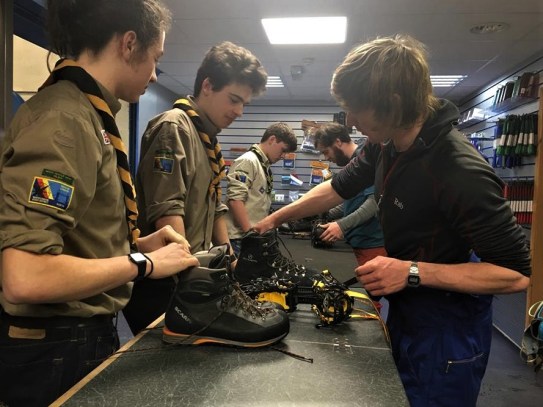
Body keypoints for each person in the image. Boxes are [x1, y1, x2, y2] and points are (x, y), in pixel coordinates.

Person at [254, 34, 531, 407]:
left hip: (448, 326)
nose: (350, 122)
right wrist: (273, 219)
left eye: (356, 109)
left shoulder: (459, 169)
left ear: (393, 103)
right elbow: (338, 187)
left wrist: (411, 271)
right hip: (408, 308)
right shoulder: (385, 144)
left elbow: (514, 274)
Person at [0, 1, 199, 406]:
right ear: (129, 44)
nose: (154, 74)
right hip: (55, 347)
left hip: (73, 337)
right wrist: (144, 264)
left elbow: (72, 237)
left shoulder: (89, 116)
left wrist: (137, 244)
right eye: (156, 58)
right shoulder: (66, 120)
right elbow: (26, 276)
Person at [123, 41, 268, 335]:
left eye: (244, 103)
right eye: (234, 100)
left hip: (193, 271)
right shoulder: (174, 127)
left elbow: (216, 206)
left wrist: (229, 261)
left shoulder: (207, 140)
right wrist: (191, 279)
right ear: (207, 86)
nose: (239, 111)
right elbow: (167, 210)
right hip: (168, 280)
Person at [313, 122, 386, 266]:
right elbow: (355, 200)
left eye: (326, 152)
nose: (326, 158)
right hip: (359, 242)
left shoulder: (364, 161)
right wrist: (327, 214)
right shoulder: (353, 162)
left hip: (372, 244)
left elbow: (374, 202)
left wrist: (341, 225)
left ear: (338, 142)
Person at [226, 122, 297, 256]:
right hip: (241, 238)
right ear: (272, 139)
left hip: (250, 236)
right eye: (283, 150)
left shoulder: (262, 165)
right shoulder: (248, 161)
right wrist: (250, 234)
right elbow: (235, 200)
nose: (283, 156)